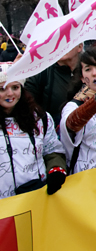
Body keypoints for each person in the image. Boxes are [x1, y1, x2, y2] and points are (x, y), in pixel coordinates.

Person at [1, 66, 67, 198]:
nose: (10, 94)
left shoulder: (40, 118)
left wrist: (56, 171)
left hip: (36, 198)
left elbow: (53, 150)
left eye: (15, 87)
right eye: (2, 89)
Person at [24, 43, 82, 124]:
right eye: (56, 43)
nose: (61, 46)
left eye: (66, 42)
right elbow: (25, 104)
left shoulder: (90, 71)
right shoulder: (41, 72)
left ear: (80, 47)